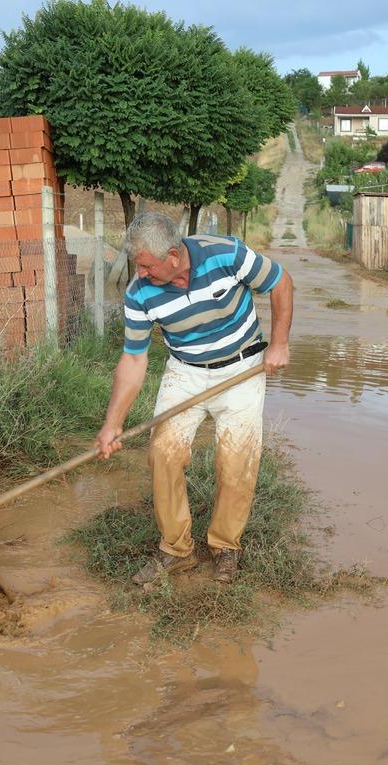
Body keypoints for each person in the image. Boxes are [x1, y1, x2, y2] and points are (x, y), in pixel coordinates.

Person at [94, 211, 293, 585]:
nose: (141, 274)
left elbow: (281, 282)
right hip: (185, 371)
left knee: (236, 459)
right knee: (163, 452)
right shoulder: (139, 294)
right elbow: (134, 360)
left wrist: (279, 344)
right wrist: (112, 424)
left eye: (146, 266)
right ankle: (176, 550)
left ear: (173, 255)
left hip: (241, 369)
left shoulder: (226, 254)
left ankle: (225, 545)